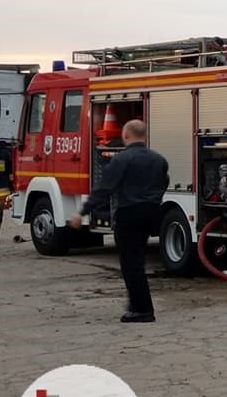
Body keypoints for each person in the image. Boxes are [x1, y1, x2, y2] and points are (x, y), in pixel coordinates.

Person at [68, 120, 169, 323]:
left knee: (131, 264)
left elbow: (105, 189)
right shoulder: (159, 160)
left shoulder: (122, 160)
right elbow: (164, 182)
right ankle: (137, 305)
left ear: (125, 136)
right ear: (145, 137)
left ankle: (142, 309)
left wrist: (83, 212)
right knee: (137, 260)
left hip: (129, 214)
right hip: (151, 213)